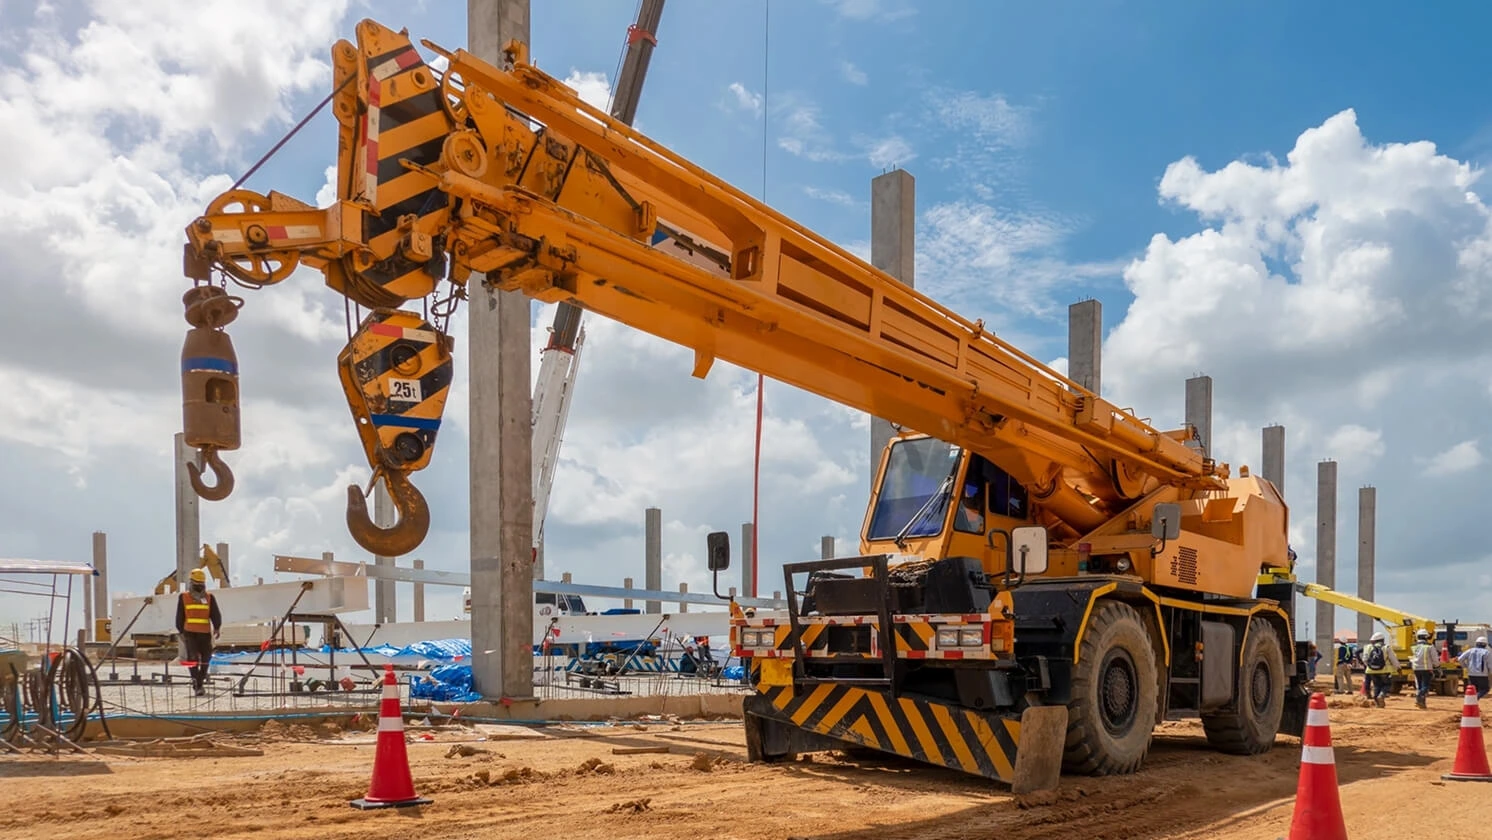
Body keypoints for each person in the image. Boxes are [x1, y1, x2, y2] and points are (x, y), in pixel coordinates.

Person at [174, 567, 222, 696]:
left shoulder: (209, 597)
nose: (200, 587)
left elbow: (215, 613)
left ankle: (200, 678)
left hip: (205, 633)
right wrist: (180, 631)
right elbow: (180, 615)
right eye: (197, 584)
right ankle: (197, 684)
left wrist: (217, 627)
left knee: (206, 658)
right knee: (192, 659)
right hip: (190, 633)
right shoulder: (184, 597)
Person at [1362, 631, 1399, 707]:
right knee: (1387, 684)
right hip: (1384, 671)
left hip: (1371, 671)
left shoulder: (1368, 647)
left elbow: (1364, 659)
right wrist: (1398, 668)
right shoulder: (1386, 647)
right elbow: (1393, 659)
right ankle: (1381, 695)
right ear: (1382, 640)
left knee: (1376, 686)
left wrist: (1370, 666)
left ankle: (1378, 704)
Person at [1409, 628, 1436, 709]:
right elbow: (1434, 658)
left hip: (1416, 668)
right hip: (1426, 669)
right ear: (1426, 637)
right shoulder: (1429, 647)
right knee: (1426, 686)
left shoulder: (1413, 647)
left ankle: (1421, 703)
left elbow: (1412, 657)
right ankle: (1419, 696)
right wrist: (1437, 666)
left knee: (1420, 686)